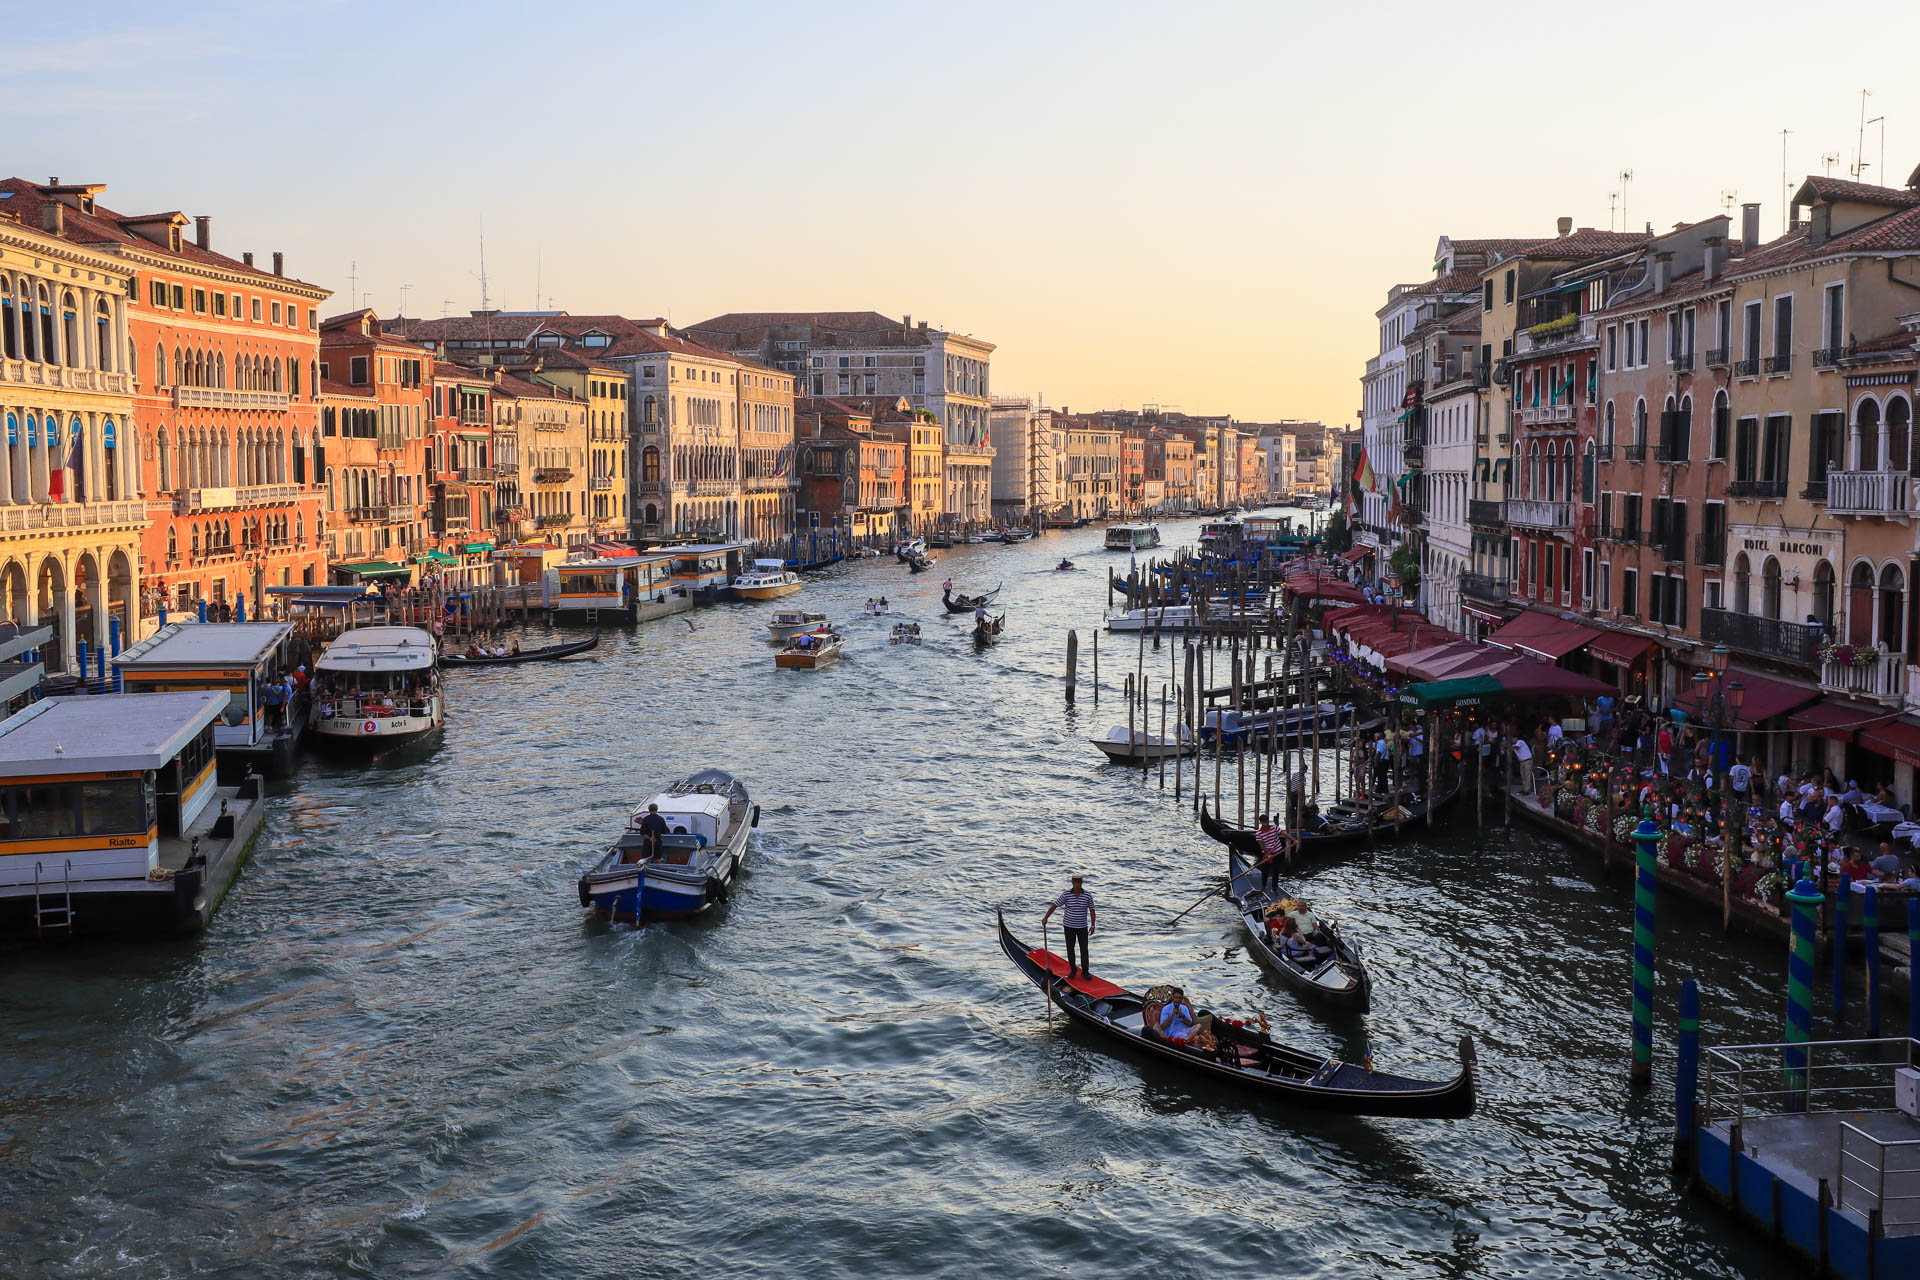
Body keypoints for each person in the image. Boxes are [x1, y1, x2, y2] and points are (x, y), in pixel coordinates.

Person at [1042, 874, 1097, 980]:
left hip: (1082, 927)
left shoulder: (1088, 896)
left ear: (1081, 883)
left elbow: (1092, 910)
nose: (1077, 885)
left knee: (1084, 949)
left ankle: (1085, 971)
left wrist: (1093, 925)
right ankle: (1073, 970)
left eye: (1078, 883)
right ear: (1072, 883)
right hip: (1068, 926)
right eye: (1075, 882)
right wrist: (1046, 918)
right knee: (1070, 949)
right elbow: (1055, 905)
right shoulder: (1066, 894)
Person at [1255, 817, 1285, 894]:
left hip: (1277, 852)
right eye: (1263, 822)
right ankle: (1263, 887)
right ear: (1261, 822)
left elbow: (1284, 833)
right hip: (1266, 853)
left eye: (1266, 822)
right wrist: (1268, 854)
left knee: (1275, 871)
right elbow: (1262, 845)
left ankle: (1274, 889)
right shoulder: (1258, 833)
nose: (1265, 824)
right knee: (1264, 871)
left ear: (1268, 821)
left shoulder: (1274, 828)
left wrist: (1294, 840)